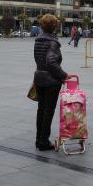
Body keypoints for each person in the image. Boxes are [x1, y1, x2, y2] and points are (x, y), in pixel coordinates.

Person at [33, 14, 70, 151]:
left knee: (41, 110)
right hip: (51, 82)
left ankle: (39, 139)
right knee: (48, 111)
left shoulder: (38, 39)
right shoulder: (53, 42)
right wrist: (64, 75)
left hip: (39, 78)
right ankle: (43, 141)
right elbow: (51, 62)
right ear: (54, 26)